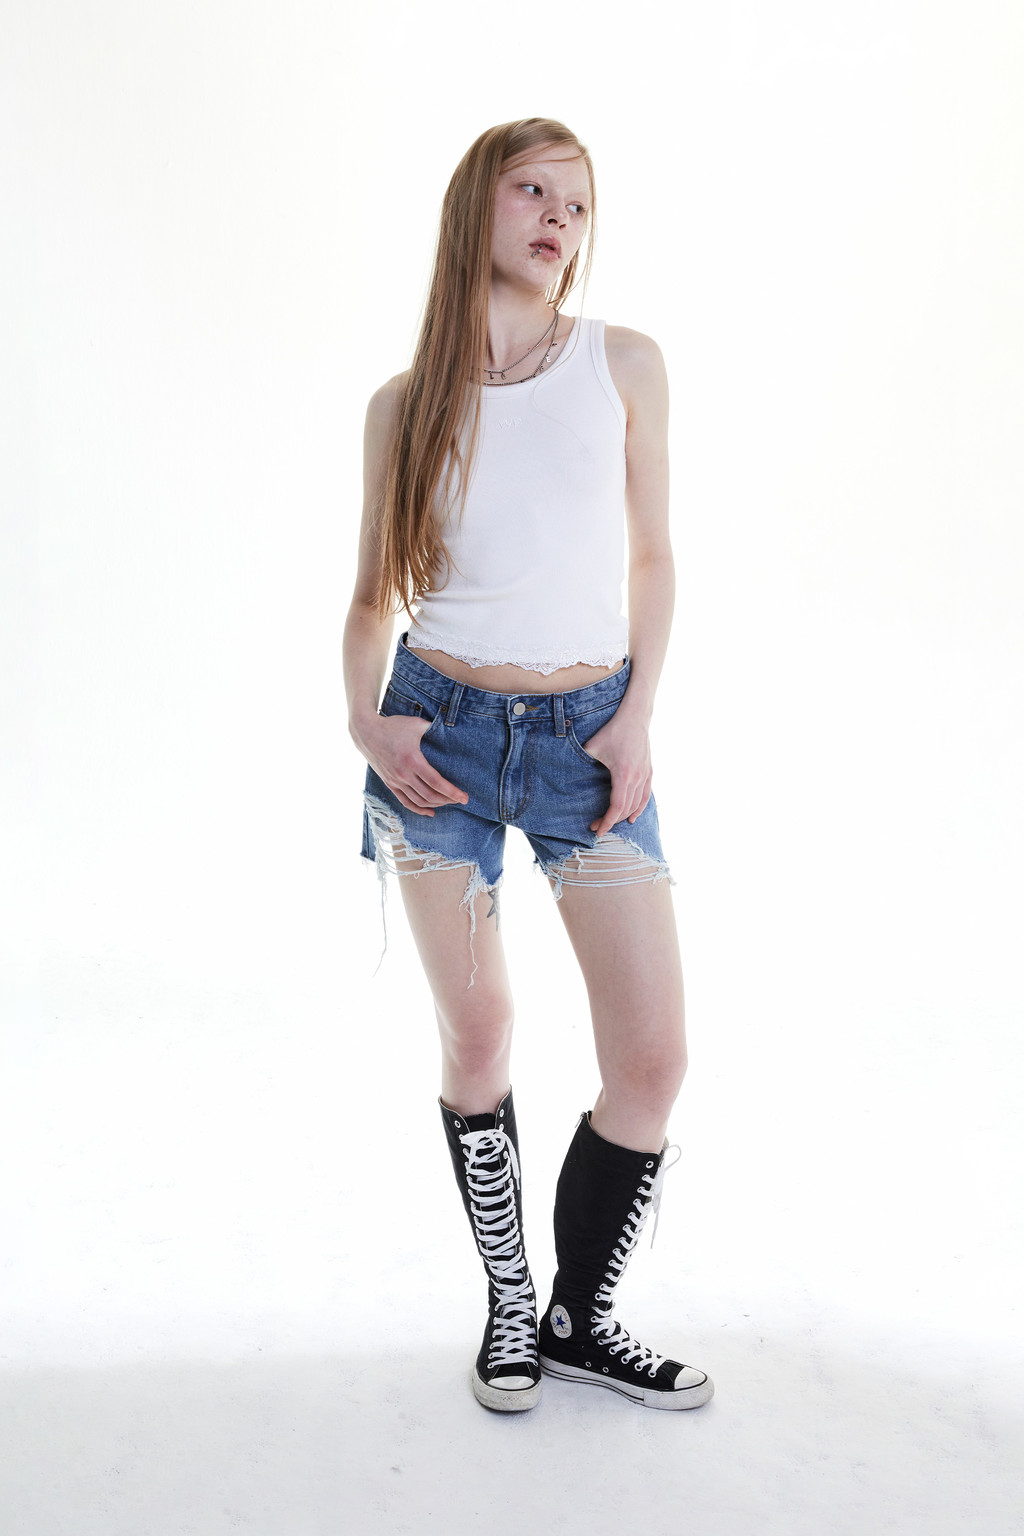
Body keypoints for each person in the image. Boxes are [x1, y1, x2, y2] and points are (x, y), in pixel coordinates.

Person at [343, 117, 713, 1414]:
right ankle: (510, 1303)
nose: (559, 217)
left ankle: (578, 1316)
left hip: (586, 735)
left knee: (652, 1060)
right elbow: (371, 601)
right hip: (435, 736)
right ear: (476, 208)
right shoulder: (405, 405)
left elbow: (654, 556)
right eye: (532, 190)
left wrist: (639, 714)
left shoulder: (625, 363)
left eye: (577, 202)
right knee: (481, 1029)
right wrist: (364, 720)